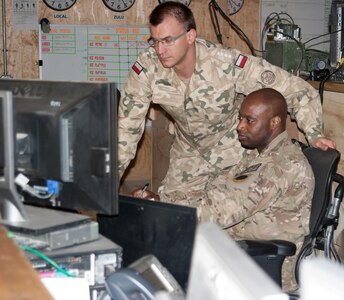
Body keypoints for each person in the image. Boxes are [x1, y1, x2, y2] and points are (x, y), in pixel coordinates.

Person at [118, 2, 333, 199]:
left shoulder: (225, 64)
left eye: (167, 40)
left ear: (190, 36)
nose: (159, 50)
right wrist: (105, 184)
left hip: (233, 154)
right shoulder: (147, 69)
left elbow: (298, 91)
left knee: (232, 223)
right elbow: (126, 130)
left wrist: (314, 134)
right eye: (154, 41)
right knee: (173, 217)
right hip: (188, 156)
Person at [132, 88, 315, 292]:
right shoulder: (255, 157)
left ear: (274, 122)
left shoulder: (280, 166)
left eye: (249, 120)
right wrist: (161, 200)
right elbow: (212, 192)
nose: (239, 126)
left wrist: (162, 212)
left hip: (259, 264)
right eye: (240, 118)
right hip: (233, 251)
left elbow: (216, 213)